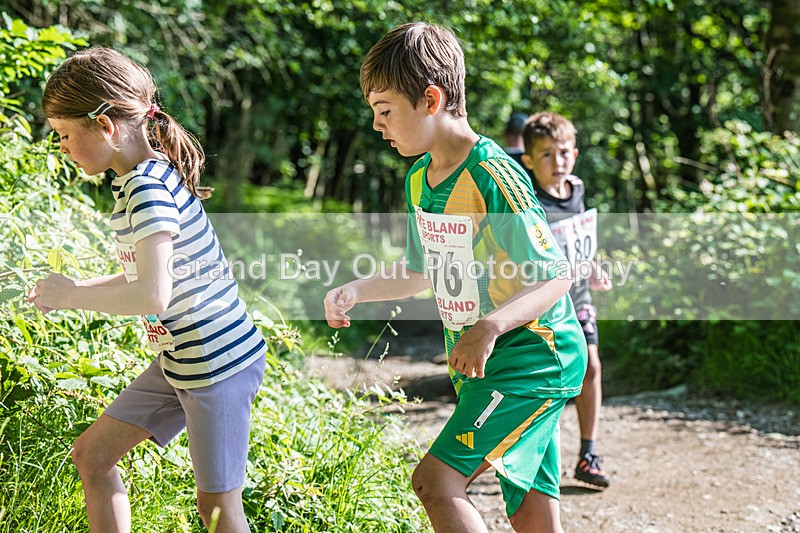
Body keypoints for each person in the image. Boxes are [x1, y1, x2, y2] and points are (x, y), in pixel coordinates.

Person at [324, 23, 587, 532]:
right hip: (483, 370)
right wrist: (357, 289)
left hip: (532, 361)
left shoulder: (493, 174)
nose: (378, 126)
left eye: (384, 111)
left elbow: (555, 275)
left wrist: (488, 327)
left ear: (430, 99)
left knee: (435, 482)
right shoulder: (420, 178)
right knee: (531, 508)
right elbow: (420, 270)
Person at [29, 47, 266, 532]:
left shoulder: (146, 188)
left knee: (219, 508)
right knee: (93, 457)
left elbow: (152, 297)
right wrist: (69, 290)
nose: (64, 148)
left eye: (66, 135)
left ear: (106, 126)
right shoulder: (138, 180)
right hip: (181, 359)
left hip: (217, 364)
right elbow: (152, 282)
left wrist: (73, 296)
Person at [521, 111, 614, 488]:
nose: (556, 162)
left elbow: (582, 242)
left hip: (578, 297)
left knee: (591, 365)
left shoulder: (576, 189)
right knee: (551, 381)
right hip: (543, 303)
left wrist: (594, 266)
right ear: (528, 160)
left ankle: (588, 454)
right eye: (546, 155)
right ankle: (533, 457)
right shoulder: (527, 200)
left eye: (562, 153)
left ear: (574, 154)